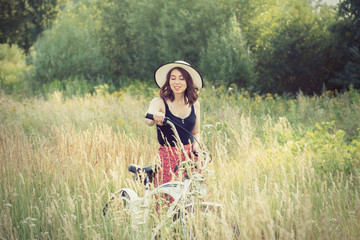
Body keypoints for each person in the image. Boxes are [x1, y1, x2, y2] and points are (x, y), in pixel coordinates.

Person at [145, 60, 203, 190]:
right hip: (168, 158)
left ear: (188, 82)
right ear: (168, 81)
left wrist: (196, 145)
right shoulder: (159, 102)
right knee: (167, 199)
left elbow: (196, 132)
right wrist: (155, 116)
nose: (177, 82)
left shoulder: (194, 104)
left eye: (181, 78)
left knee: (193, 200)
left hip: (190, 158)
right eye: (173, 78)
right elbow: (148, 119)